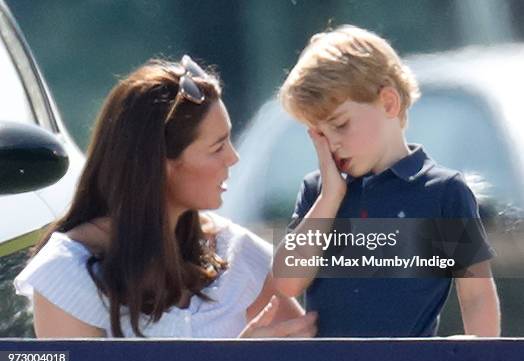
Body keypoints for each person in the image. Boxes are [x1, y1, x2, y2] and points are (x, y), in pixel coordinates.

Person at [13, 55, 317, 338]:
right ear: (159, 165)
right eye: (217, 147)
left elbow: (314, 353)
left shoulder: (236, 253)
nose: (233, 158)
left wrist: (332, 190)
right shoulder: (66, 274)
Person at [273, 25, 500, 337]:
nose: (332, 143)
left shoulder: (443, 193)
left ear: (389, 103)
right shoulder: (319, 193)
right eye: (320, 134)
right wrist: (330, 197)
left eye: (340, 125)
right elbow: (288, 281)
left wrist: (478, 358)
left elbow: (477, 296)